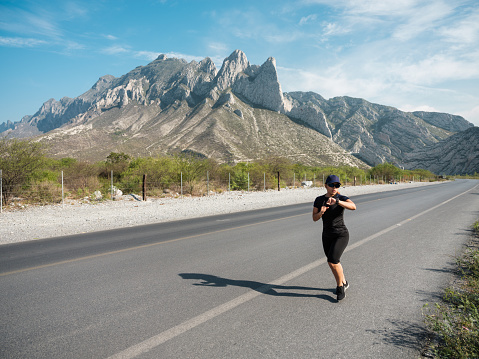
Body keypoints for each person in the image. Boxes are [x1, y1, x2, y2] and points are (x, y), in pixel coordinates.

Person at [312, 175, 356, 301]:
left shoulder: (341, 198)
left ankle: (340, 287)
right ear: (326, 186)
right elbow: (314, 218)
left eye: (337, 185)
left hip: (341, 234)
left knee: (332, 260)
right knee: (333, 262)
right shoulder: (319, 200)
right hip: (326, 235)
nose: (334, 188)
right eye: (332, 185)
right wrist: (321, 212)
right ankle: (344, 282)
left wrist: (337, 202)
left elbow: (353, 207)